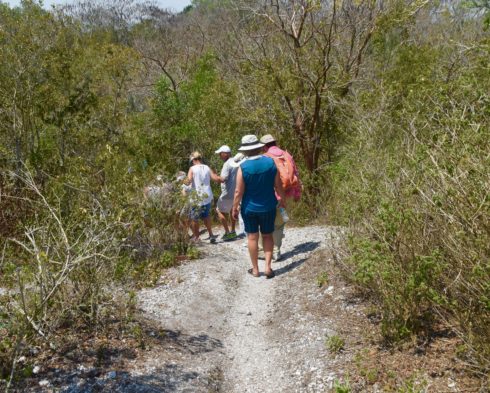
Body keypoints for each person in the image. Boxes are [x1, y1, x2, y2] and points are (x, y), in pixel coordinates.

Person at [232, 135, 286, 279]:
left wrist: (234, 208)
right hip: (268, 206)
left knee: (252, 237)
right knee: (268, 235)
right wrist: (283, 199)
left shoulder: (242, 167)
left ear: (245, 151)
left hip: (249, 208)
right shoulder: (270, 162)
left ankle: (255, 269)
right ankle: (268, 268)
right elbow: (278, 184)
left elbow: (238, 191)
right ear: (259, 147)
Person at [259, 134, 302, 260]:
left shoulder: (265, 157)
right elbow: (296, 174)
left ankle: (263, 250)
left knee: (265, 223)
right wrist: (297, 193)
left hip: (269, 196)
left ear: (264, 146)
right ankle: (276, 251)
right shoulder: (286, 155)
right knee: (279, 224)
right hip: (286, 194)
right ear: (275, 142)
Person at [187, 151, 221, 243]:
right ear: (200, 159)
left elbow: (189, 180)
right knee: (206, 216)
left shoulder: (192, 168)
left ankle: (197, 237)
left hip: (196, 196)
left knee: (195, 218)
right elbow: (215, 178)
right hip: (207, 195)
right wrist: (222, 179)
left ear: (193, 160)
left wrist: (183, 182)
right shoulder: (207, 167)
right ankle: (211, 235)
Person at [215, 145, 238, 241]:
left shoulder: (226, 164)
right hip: (236, 192)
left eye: (220, 154)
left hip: (227, 192)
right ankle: (233, 231)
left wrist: (214, 175)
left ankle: (228, 233)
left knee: (219, 210)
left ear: (225, 154)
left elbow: (223, 179)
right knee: (232, 210)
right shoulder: (236, 162)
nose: (220, 156)